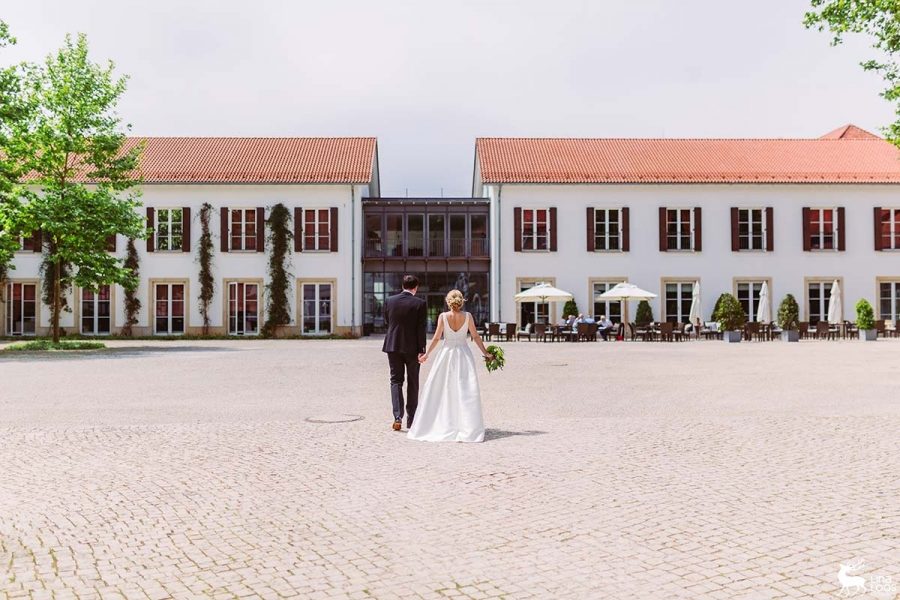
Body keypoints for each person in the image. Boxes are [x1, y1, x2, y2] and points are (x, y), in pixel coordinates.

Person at [408, 289, 491, 443]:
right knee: (465, 389)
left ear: (448, 301)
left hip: (446, 354)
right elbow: (475, 336)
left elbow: (436, 338)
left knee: (442, 388)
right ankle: (467, 425)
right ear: (461, 301)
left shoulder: (443, 317)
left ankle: (443, 422)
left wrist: (426, 354)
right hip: (463, 354)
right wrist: (485, 352)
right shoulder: (468, 316)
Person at [382, 275, 427, 431]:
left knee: (396, 381)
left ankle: (397, 417)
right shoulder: (420, 303)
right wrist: (422, 350)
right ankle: (412, 419)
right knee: (413, 382)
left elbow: (387, 322)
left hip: (393, 345)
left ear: (403, 286)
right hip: (413, 348)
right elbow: (421, 328)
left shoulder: (389, 301)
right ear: (416, 287)